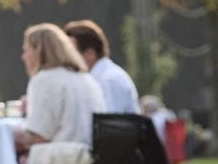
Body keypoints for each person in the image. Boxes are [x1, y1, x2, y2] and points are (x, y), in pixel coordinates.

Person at [14, 23, 106, 153]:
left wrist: (9, 135)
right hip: (91, 158)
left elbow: (40, 136)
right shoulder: (85, 78)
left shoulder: (45, 79)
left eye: (26, 50)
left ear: (38, 51)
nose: (23, 57)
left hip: (61, 161)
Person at [64, 20, 139, 115]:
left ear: (90, 54)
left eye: (71, 53)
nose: (66, 58)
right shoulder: (101, 77)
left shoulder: (109, 80)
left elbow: (109, 124)